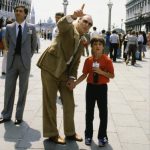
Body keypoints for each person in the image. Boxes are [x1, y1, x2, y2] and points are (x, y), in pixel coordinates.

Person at [37, 4, 93, 144]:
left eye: (90, 24)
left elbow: (75, 63)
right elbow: (61, 24)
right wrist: (73, 15)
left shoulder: (82, 41)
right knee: (50, 102)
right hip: (50, 67)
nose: (87, 24)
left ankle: (70, 132)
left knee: (69, 103)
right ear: (79, 21)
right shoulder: (69, 28)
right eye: (84, 21)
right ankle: (52, 133)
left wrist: (72, 78)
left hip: (64, 72)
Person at [0, 5, 37, 125]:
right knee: (8, 89)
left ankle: (19, 116)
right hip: (11, 61)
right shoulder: (9, 27)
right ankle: (6, 114)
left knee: (23, 90)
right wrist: (8, 52)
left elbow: (33, 45)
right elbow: (6, 42)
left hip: (24, 62)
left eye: (20, 11)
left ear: (25, 14)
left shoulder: (31, 27)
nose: (17, 13)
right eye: (16, 11)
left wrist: (27, 56)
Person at [74, 37, 114, 147]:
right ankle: (88, 135)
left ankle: (102, 136)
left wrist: (101, 72)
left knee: (103, 113)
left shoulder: (107, 60)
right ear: (92, 46)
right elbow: (84, 74)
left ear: (103, 47)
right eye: (95, 44)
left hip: (102, 88)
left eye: (100, 44)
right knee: (89, 112)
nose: (97, 46)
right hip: (90, 88)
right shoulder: (88, 60)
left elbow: (112, 75)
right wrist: (75, 83)